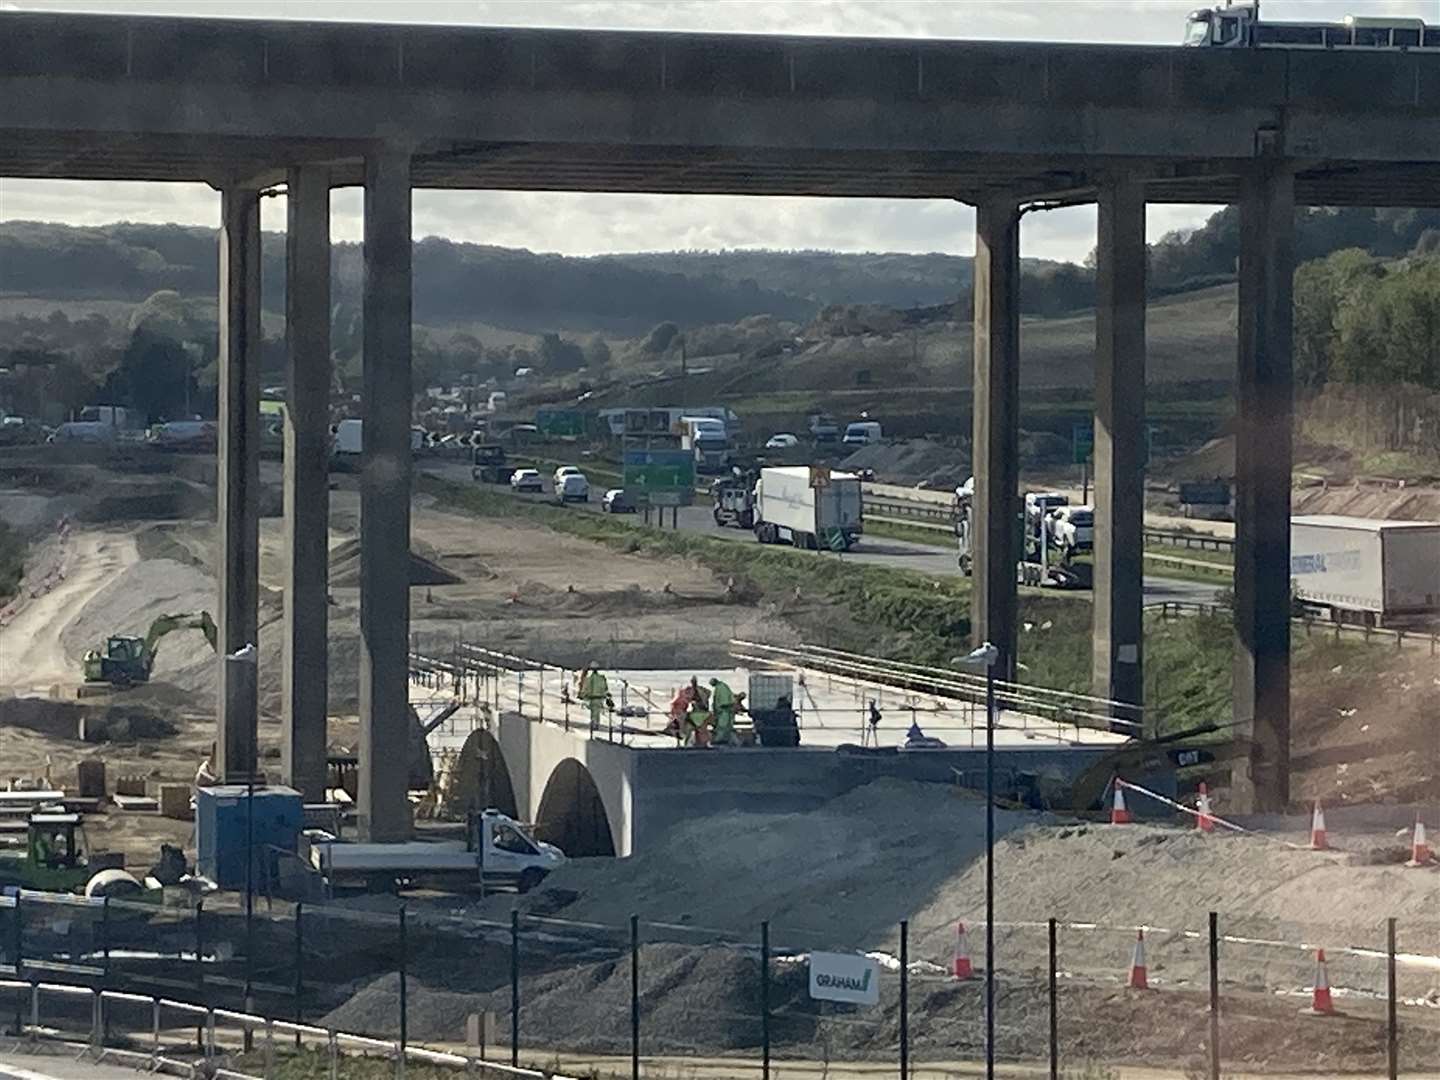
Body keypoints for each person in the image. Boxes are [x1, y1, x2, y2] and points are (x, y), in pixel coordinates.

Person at [577, 663, 609, 730]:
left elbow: (585, 688)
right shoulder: (601, 678)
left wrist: (582, 695)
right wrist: (606, 695)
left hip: (592, 698)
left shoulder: (589, 679)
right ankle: (596, 724)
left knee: (593, 712)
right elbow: (605, 688)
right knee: (596, 712)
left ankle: (594, 724)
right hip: (599, 698)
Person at [709, 677, 737, 746]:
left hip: (724, 711)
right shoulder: (721, 687)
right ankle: (725, 739)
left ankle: (720, 739)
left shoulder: (721, 687)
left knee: (722, 726)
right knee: (725, 726)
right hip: (723, 711)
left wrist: (720, 707)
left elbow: (723, 701)